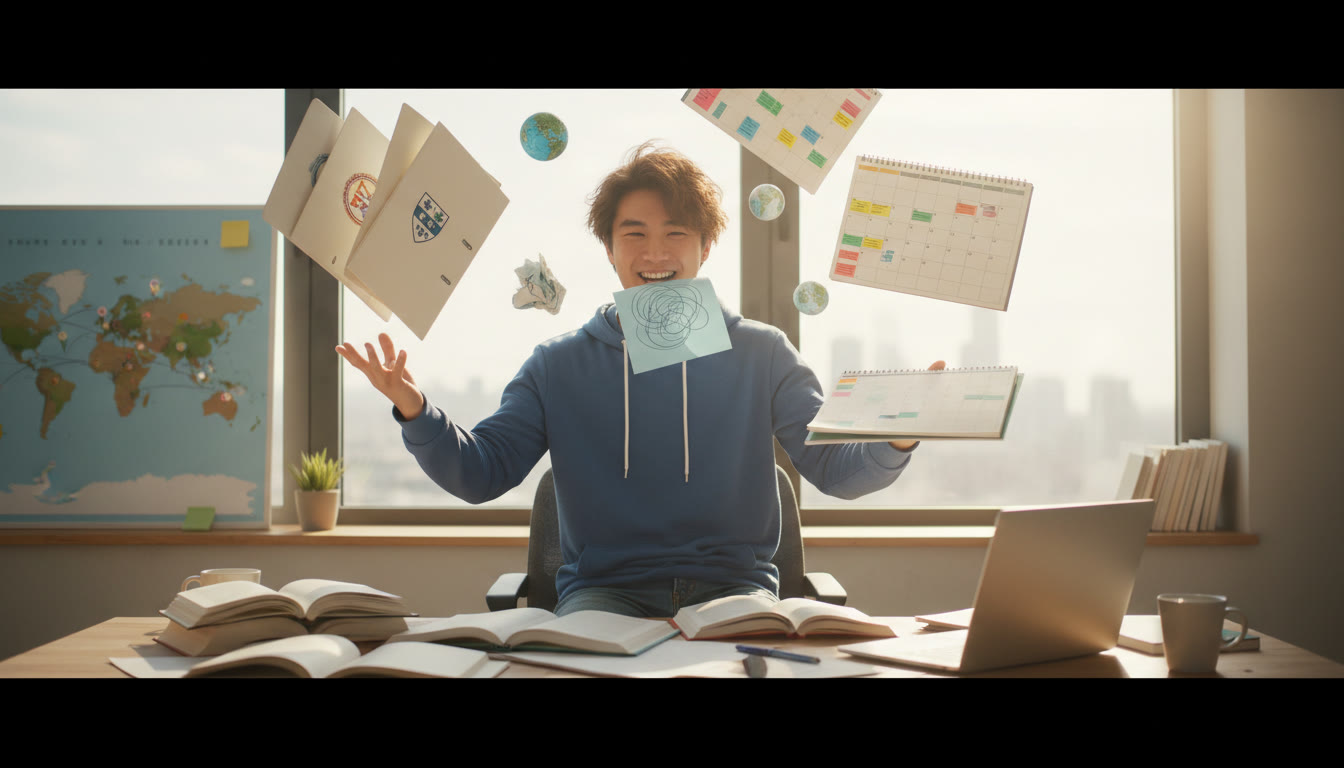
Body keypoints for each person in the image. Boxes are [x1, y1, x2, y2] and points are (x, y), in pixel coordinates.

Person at [336, 141, 944, 618]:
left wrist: (898, 436)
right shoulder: (557, 364)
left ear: (705, 248)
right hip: (603, 595)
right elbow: (480, 473)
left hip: (736, 594)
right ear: (608, 248)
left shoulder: (762, 353)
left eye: (676, 234)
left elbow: (836, 470)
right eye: (635, 234)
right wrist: (416, 413)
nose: (656, 253)